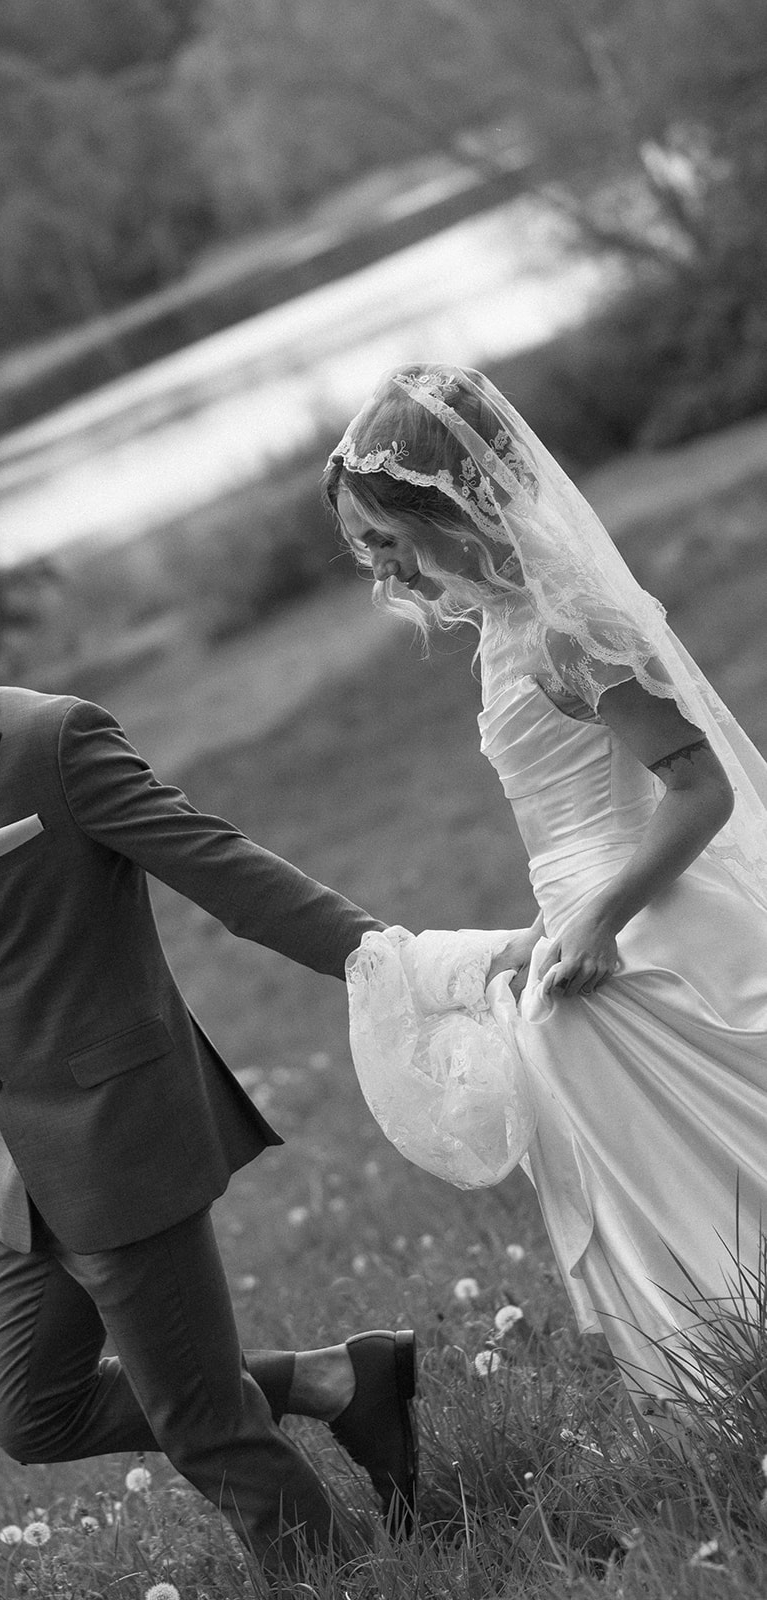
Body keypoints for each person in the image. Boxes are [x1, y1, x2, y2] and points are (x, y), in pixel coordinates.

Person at [0, 581, 418, 1588]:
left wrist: (395, 963)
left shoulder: (50, 741)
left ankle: (344, 1580)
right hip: (18, 1176)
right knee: (32, 1413)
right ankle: (340, 1380)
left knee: (205, 1428)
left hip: (119, 1133)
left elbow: (218, 864)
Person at [324, 363, 767, 1424]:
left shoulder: (565, 626)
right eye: (364, 544)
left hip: (643, 920)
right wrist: (550, 925)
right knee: (623, 1137)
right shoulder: (500, 627)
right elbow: (559, 816)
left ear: (450, 505)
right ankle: (725, 1379)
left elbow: (698, 788)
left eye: (385, 535)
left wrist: (601, 919)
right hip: (575, 926)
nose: (379, 563)